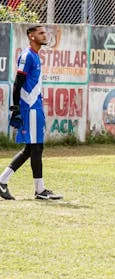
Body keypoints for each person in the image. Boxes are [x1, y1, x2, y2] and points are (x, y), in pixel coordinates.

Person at [0, 25, 62, 201]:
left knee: (32, 148)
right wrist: (17, 107)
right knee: (35, 147)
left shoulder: (35, 56)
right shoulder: (27, 55)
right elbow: (17, 82)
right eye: (41, 33)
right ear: (31, 36)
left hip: (35, 106)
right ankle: (39, 190)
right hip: (29, 107)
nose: (45, 35)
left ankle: (5, 181)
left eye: (44, 32)